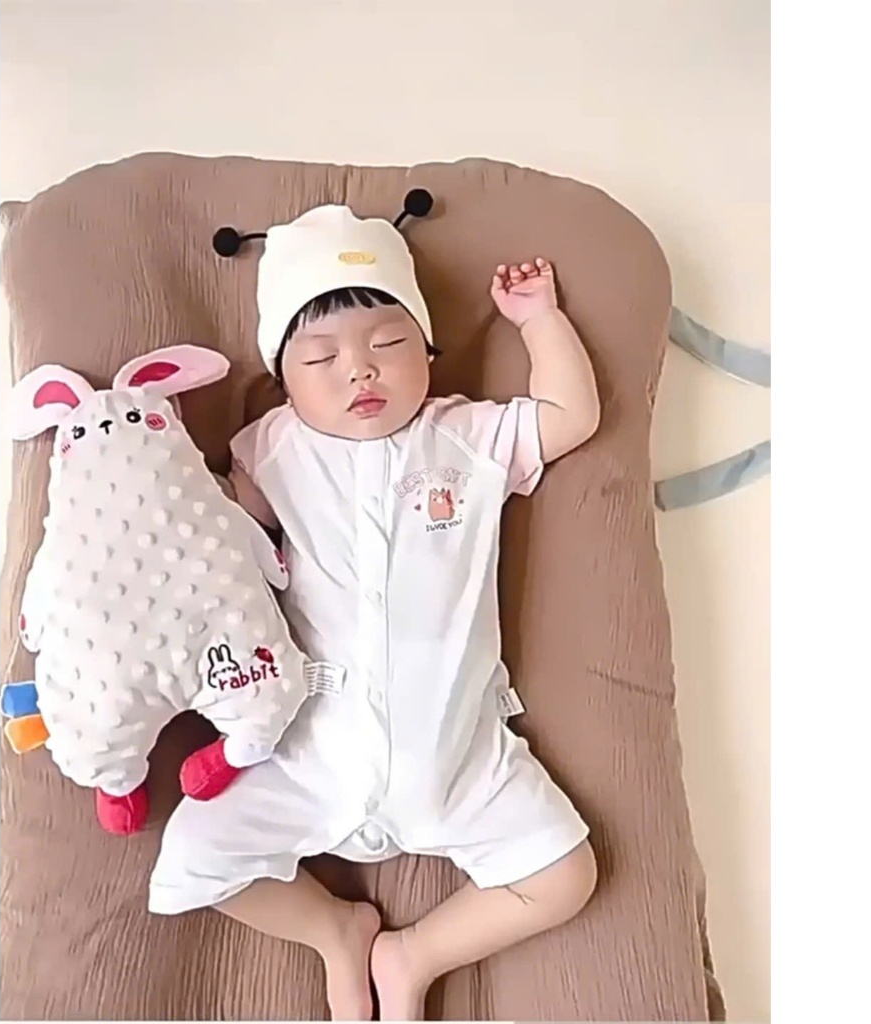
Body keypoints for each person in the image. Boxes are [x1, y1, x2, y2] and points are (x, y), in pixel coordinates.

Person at [149, 204, 602, 1021]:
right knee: (190, 859)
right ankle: (332, 928)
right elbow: (217, 537)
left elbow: (572, 416)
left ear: (426, 351)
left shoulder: (467, 437)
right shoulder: (269, 448)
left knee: (566, 875)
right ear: (283, 377)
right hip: (306, 753)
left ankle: (412, 953)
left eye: (388, 345)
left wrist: (540, 321)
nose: (360, 372)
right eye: (321, 357)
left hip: (456, 755)